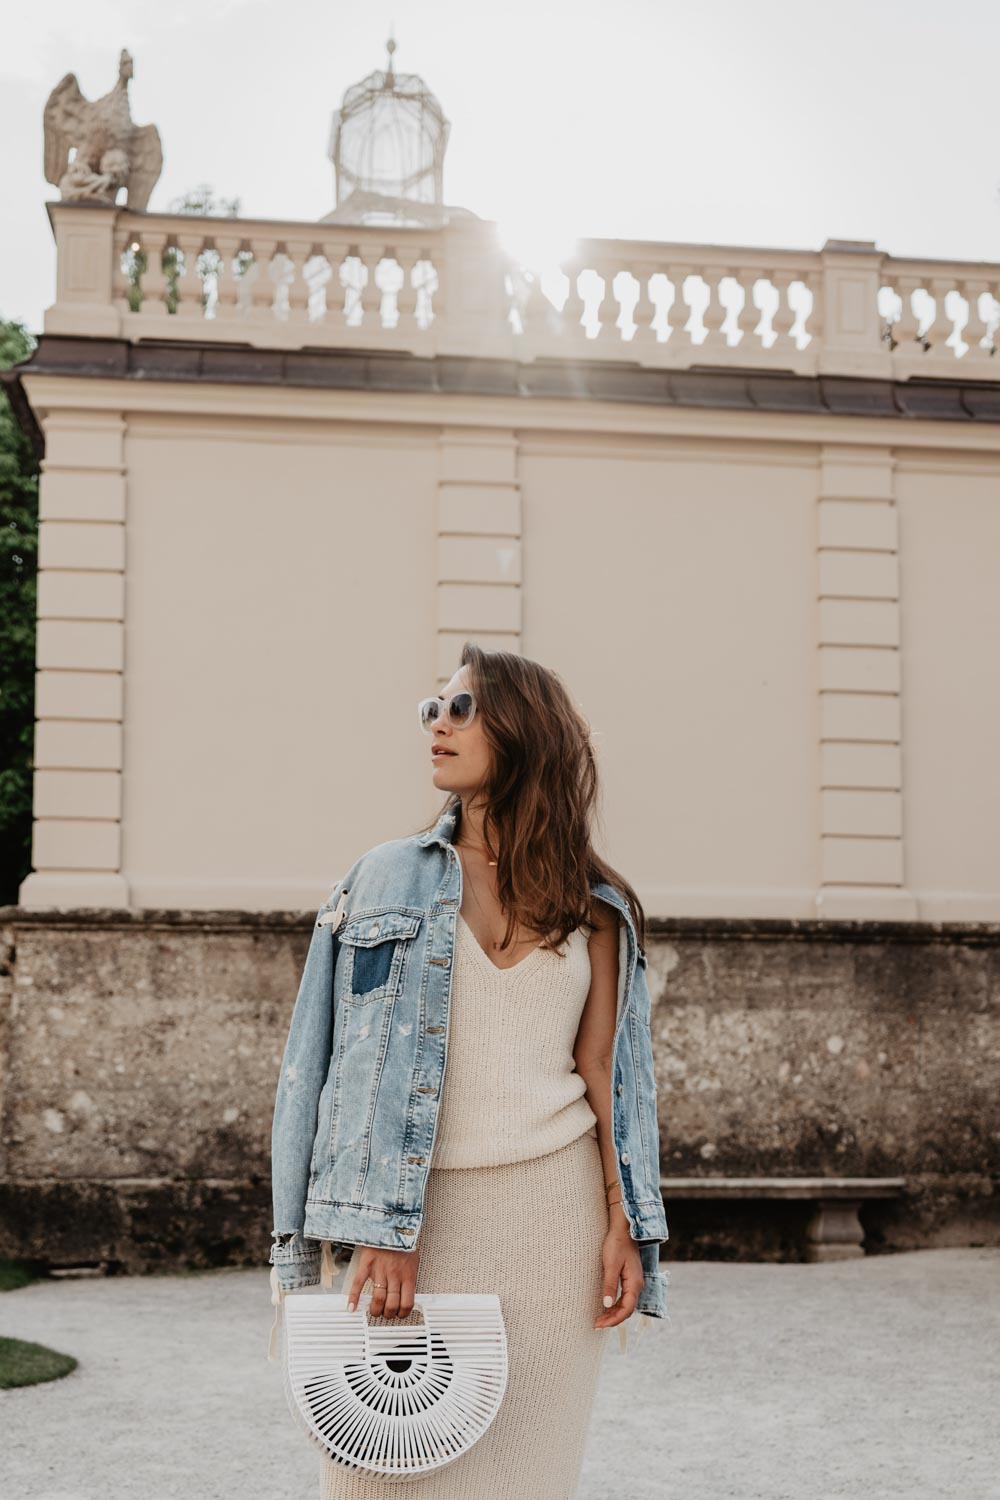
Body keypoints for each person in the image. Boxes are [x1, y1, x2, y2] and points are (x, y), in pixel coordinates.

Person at [269, 642, 669, 1499]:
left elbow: (605, 1075)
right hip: (411, 1223)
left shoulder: (596, 910)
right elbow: (322, 1064)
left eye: (461, 708)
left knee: (528, 1478)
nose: (436, 725)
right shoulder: (382, 879)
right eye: (432, 708)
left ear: (523, 731)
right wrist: (374, 1230)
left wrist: (625, 1223)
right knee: (380, 1476)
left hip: (551, 1225)